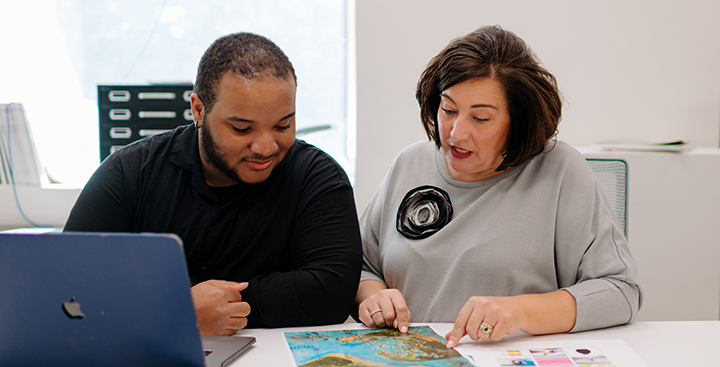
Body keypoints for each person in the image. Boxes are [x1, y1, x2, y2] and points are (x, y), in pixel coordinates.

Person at [355, 25, 642, 347]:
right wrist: (374, 297)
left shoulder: (559, 170)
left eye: (480, 119)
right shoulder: (410, 162)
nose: (455, 133)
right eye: (448, 110)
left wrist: (519, 311)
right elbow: (361, 266)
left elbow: (621, 292)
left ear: (518, 121)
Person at [64, 32, 362, 334]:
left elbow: (331, 293)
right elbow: (68, 286)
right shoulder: (130, 174)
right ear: (198, 110)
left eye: (282, 125)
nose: (266, 146)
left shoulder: (317, 178)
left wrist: (199, 306)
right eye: (242, 128)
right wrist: (177, 309)